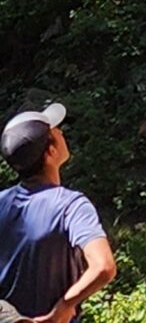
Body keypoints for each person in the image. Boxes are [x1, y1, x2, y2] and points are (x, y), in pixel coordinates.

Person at [0, 103, 115, 323]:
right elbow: (104, 267)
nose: (61, 131)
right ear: (51, 152)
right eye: (55, 131)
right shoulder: (71, 206)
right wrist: (65, 306)